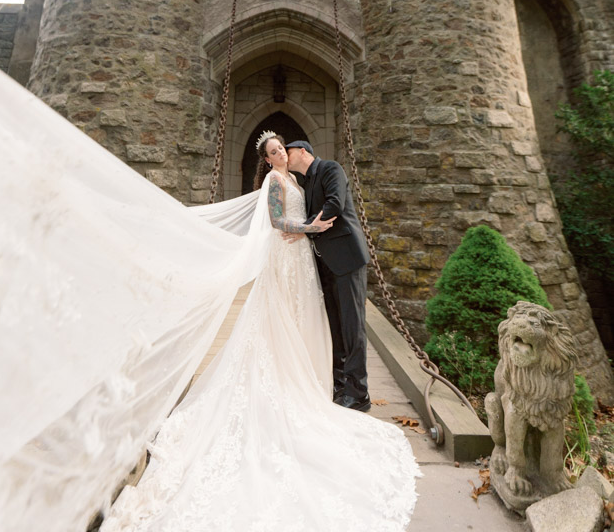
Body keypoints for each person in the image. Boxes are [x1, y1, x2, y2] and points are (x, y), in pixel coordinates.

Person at [102, 130, 419, 532]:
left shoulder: (303, 179)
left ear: (293, 152)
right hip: (287, 257)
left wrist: (305, 230)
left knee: (307, 318)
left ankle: (325, 381)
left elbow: (314, 213)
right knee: (281, 319)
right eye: (272, 153)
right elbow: (275, 221)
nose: (279, 156)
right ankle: (300, 382)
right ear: (267, 161)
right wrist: (307, 229)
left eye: (281, 150)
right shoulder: (275, 182)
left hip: (304, 257)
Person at [284, 139, 371, 412]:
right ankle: (339, 383)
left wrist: (305, 228)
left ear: (302, 151)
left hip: (347, 259)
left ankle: (359, 393)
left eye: (288, 152)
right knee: (334, 325)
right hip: (326, 265)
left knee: (352, 326)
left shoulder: (331, 169)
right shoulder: (306, 182)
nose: (285, 158)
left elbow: (334, 205)